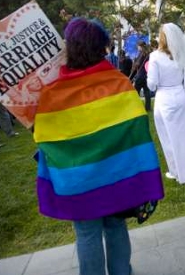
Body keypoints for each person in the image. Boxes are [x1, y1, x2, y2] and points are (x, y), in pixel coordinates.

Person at [33, 17, 164, 275]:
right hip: (117, 177)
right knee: (116, 227)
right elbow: (137, 129)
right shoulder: (118, 83)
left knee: (87, 234)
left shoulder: (53, 93)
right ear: (101, 48)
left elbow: (44, 137)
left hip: (78, 181)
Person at [146, 23, 185, 184]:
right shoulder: (182, 55)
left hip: (164, 99)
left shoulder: (155, 57)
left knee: (169, 137)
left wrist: (149, 70)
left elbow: (152, 85)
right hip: (181, 97)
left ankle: (177, 171)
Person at [130, 40, 151, 111]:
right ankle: (148, 108)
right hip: (146, 75)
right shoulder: (148, 54)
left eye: (138, 46)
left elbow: (138, 64)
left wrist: (134, 62)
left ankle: (136, 107)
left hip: (140, 75)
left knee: (136, 92)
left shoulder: (142, 54)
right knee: (147, 92)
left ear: (140, 46)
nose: (137, 47)